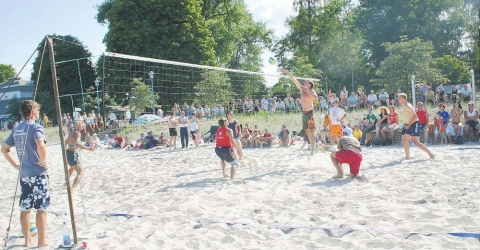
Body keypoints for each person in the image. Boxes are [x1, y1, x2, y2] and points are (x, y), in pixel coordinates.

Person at [1, 100, 49, 247]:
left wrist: (16, 165)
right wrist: (44, 162)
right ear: (33, 111)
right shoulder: (35, 127)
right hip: (38, 172)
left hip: (24, 173)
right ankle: (41, 241)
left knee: (25, 206)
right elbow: (40, 144)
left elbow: (4, 149)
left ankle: (27, 240)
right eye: (38, 111)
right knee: (41, 207)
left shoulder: (17, 128)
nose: (39, 113)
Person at [283, 69, 318, 155]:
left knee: (312, 131)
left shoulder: (311, 91)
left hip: (310, 113)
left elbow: (315, 97)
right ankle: (312, 146)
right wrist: (288, 73)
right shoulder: (302, 88)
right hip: (304, 113)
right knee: (308, 132)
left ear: (310, 84)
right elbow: (294, 80)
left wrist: (307, 91)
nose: (304, 82)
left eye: (306, 82)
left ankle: (313, 148)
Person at [398, 93, 434, 160]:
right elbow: (408, 116)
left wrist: (408, 125)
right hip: (410, 124)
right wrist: (405, 123)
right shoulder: (404, 106)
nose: (398, 100)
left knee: (416, 142)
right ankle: (407, 157)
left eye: (399, 98)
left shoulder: (408, 106)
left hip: (415, 124)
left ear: (403, 99)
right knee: (405, 140)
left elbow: (415, 116)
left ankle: (430, 154)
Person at [65, 121, 95, 190]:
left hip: (68, 152)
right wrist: (89, 148)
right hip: (72, 153)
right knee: (80, 173)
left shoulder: (71, 132)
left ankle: (66, 182)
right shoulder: (77, 133)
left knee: (72, 168)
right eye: (81, 124)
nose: (83, 125)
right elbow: (78, 144)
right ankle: (72, 189)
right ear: (78, 125)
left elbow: (65, 142)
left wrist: (65, 152)